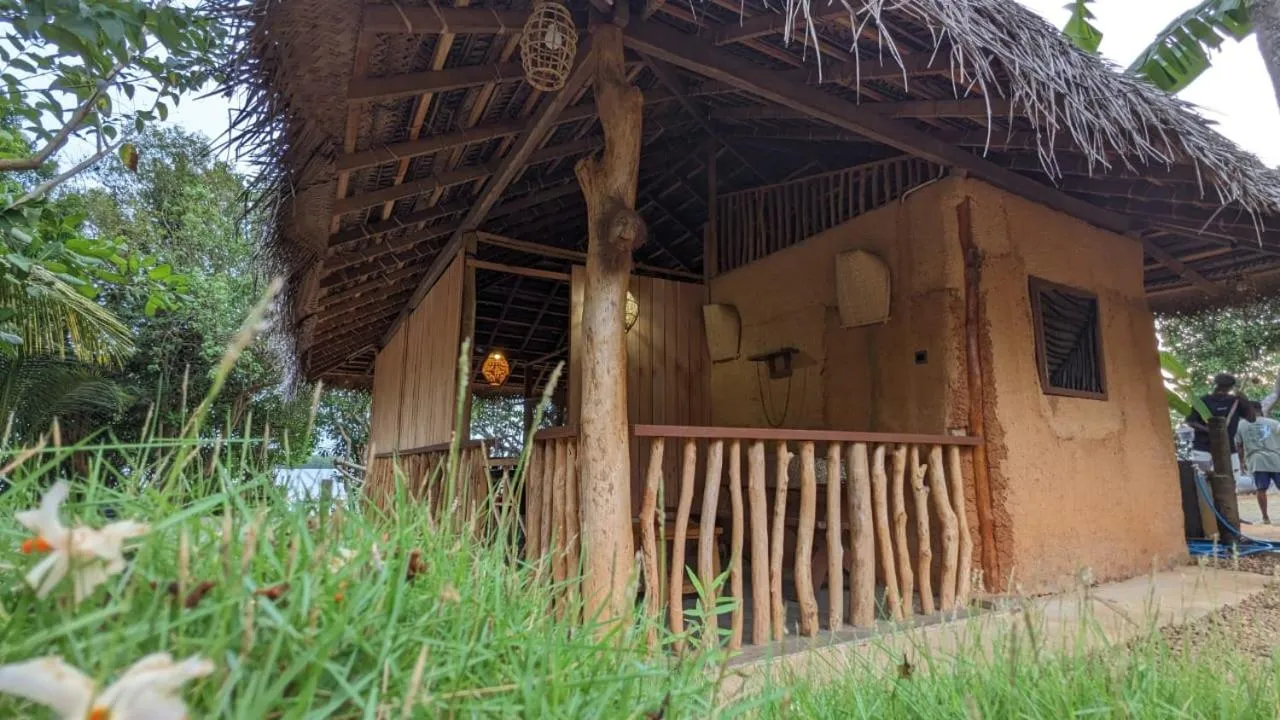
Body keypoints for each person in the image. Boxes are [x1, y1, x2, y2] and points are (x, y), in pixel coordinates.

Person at [1185, 373, 1245, 477]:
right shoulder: (1202, 401)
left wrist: (1244, 400)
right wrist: (1209, 430)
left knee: (1232, 479)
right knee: (1202, 479)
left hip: (1228, 448)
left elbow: (1252, 418)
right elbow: (1190, 421)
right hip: (1203, 448)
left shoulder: (1235, 401)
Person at [1236, 399, 1280, 524]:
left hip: (1257, 461)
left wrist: (1241, 462)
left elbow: (1239, 446)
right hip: (1276, 459)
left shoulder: (1241, 425)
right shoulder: (1274, 423)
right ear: (1260, 409)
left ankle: (1265, 518)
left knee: (1261, 489)